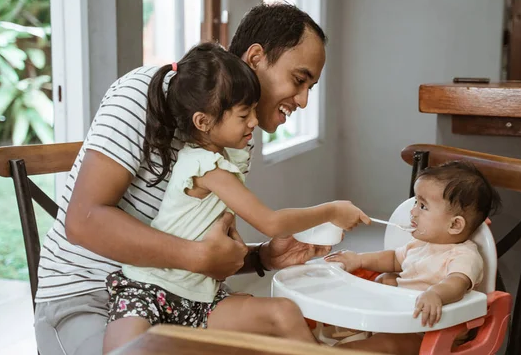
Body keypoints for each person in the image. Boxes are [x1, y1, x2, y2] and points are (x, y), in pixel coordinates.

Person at [34, 3, 335, 355]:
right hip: (90, 296)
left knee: (286, 335)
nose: (302, 100)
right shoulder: (142, 95)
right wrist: (196, 257)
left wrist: (263, 258)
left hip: (180, 301)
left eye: (310, 87)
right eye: (299, 80)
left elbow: (197, 247)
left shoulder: (234, 137)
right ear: (255, 58)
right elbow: (83, 222)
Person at [101, 42, 369, 352]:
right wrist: (332, 210)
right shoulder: (204, 165)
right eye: (244, 115)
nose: (254, 122)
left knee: (283, 312)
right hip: (147, 290)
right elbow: (270, 222)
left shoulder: (231, 158)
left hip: (199, 298)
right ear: (203, 122)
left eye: (253, 111)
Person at [324, 161, 501, 354]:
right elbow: (393, 259)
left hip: (430, 332)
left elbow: (456, 283)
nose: (413, 211)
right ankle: (356, 331)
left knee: (385, 345)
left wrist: (436, 294)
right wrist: (359, 260)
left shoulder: (463, 255)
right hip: (402, 321)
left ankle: (347, 347)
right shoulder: (420, 245)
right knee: (386, 279)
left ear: (455, 225)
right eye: (416, 202)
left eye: (423, 206)